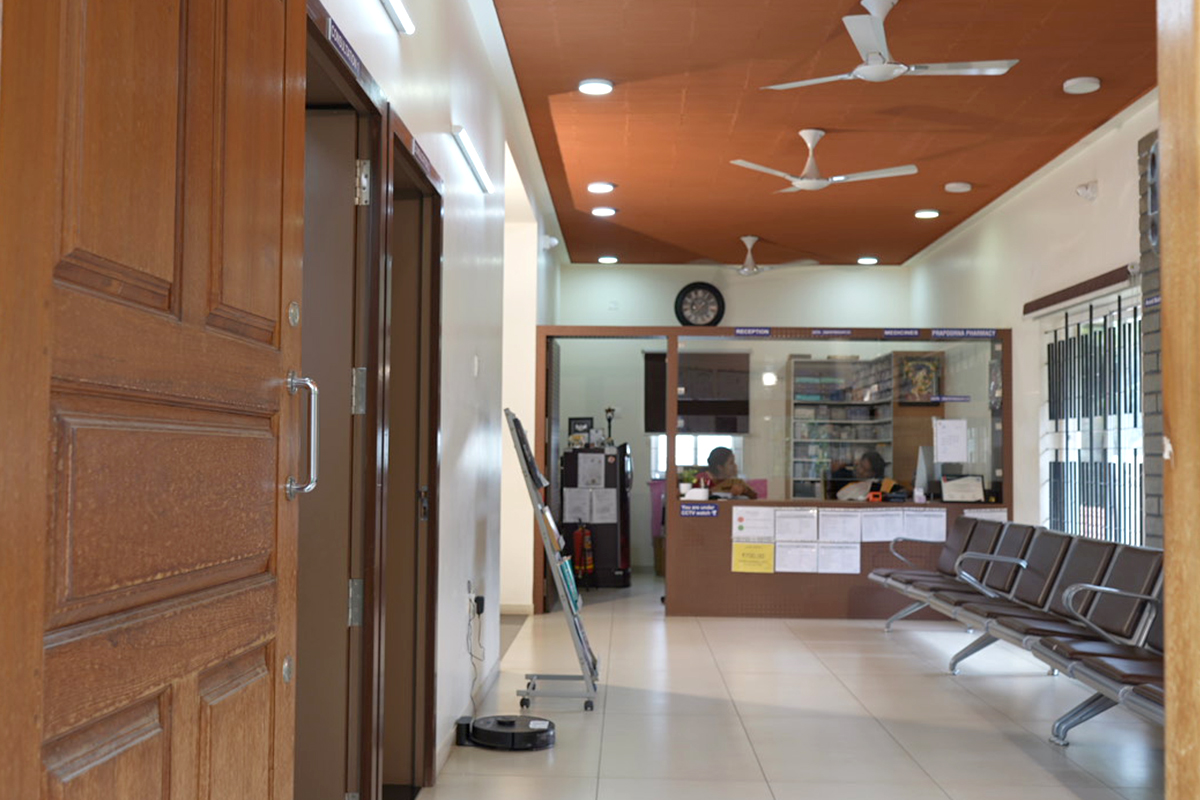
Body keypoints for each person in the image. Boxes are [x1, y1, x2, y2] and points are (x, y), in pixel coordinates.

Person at [832, 450, 899, 500]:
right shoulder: (843, 475)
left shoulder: (876, 486)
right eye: (861, 465)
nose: (860, 471)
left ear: (873, 474)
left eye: (866, 470)